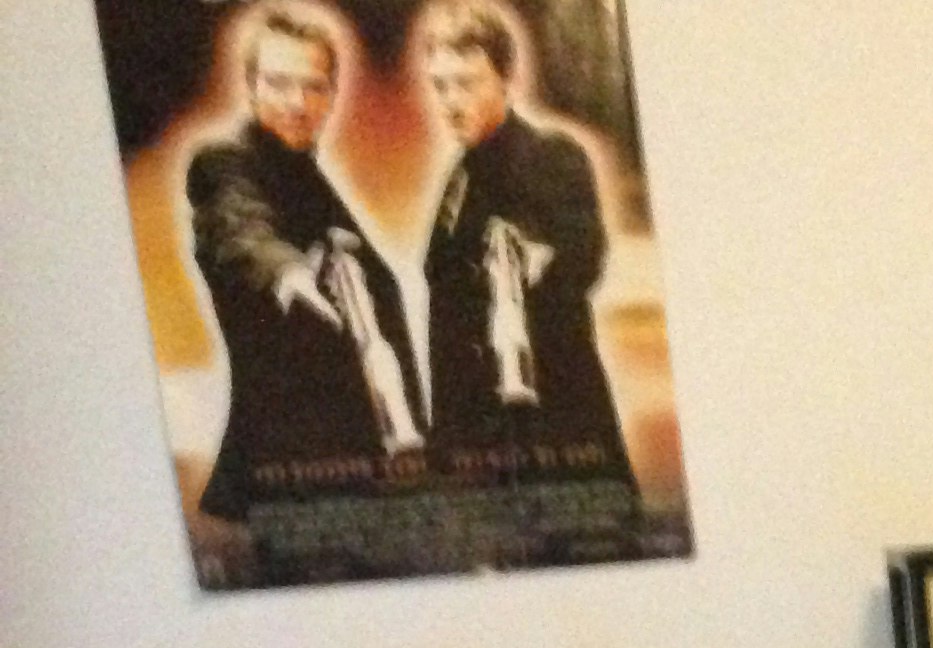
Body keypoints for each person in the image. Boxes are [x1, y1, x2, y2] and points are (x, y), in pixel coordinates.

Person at [186, 6, 425, 524]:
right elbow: (241, 227)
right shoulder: (224, 162)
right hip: (282, 478)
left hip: (352, 468)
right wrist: (290, 273)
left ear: (332, 95)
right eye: (278, 83)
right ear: (251, 87)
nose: (298, 103)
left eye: (315, 87)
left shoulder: (308, 176)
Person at [419, 1, 635, 497]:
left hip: (552, 427)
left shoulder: (552, 154)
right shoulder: (458, 176)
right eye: (440, 85)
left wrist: (537, 257)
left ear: (505, 77)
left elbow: (584, 255)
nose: (450, 102)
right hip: (476, 440)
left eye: (466, 83)